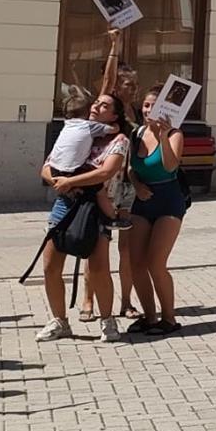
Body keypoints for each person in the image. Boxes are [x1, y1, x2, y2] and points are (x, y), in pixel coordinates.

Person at [36, 90, 133, 342]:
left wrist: (71, 181)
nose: (96, 107)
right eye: (96, 103)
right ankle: (59, 321)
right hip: (65, 203)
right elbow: (48, 164)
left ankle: (107, 322)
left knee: (99, 267)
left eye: (104, 106)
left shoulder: (118, 140)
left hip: (94, 207)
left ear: (114, 116)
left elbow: (106, 172)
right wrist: (58, 181)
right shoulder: (78, 130)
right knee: (50, 266)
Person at [122, 88, 187, 333]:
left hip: (169, 201)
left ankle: (169, 318)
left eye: (155, 106)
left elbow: (170, 166)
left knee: (155, 262)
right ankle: (149, 317)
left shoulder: (175, 134)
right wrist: (137, 186)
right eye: (147, 105)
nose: (149, 110)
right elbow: (130, 168)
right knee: (135, 261)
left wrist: (162, 136)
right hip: (142, 200)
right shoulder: (137, 133)